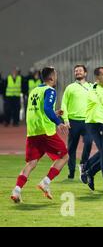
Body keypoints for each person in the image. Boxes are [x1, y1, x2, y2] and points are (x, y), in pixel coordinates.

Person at [10, 67, 69, 203]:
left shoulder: (35, 90)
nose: (56, 78)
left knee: (31, 163)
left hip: (33, 132)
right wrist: (58, 122)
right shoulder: (50, 90)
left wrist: (54, 113)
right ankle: (45, 182)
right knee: (64, 156)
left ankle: (17, 190)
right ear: (51, 78)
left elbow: (40, 110)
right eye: (56, 75)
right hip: (45, 131)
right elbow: (46, 109)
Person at [81, 67, 103, 192]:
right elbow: (102, 102)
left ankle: (89, 171)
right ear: (97, 77)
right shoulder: (93, 89)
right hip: (95, 123)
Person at [61, 65, 93, 179]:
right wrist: (65, 119)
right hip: (73, 121)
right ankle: (71, 172)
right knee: (71, 148)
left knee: (89, 142)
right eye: (76, 71)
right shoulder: (70, 87)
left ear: (85, 73)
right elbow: (64, 103)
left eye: (80, 71)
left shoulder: (91, 87)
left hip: (87, 120)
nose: (77, 72)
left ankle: (83, 164)